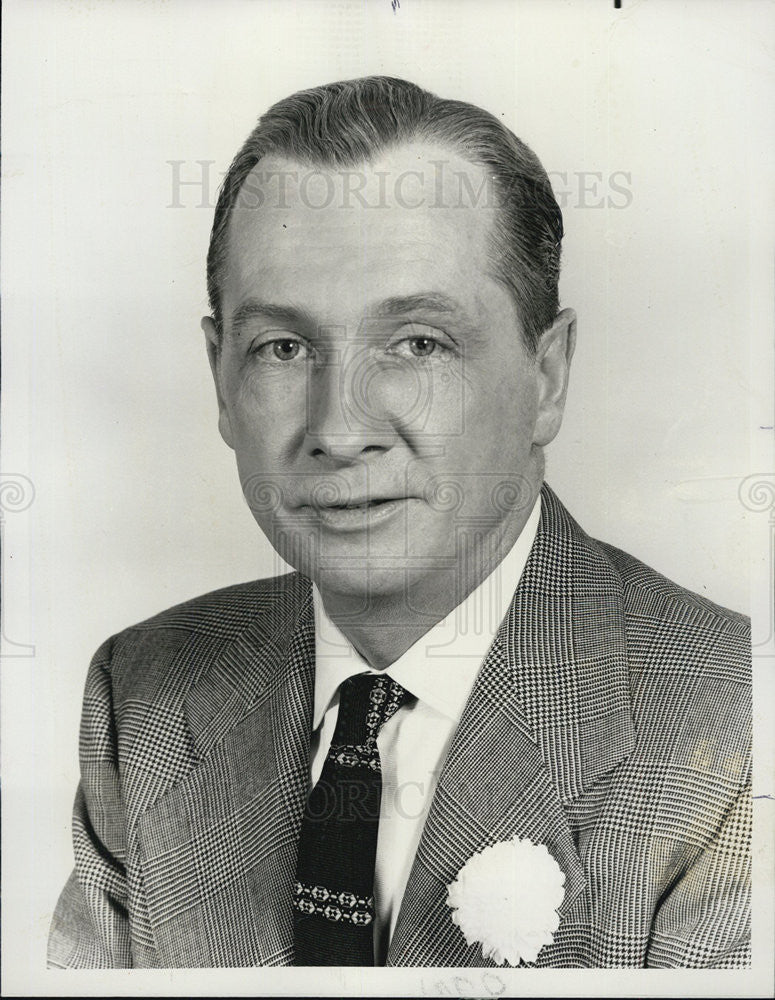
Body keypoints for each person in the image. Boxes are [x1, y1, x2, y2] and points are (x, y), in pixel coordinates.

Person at [48, 76, 751, 969]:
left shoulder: (732, 734)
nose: (339, 430)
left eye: (416, 343)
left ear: (547, 377)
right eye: (283, 348)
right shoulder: (143, 695)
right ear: (219, 379)